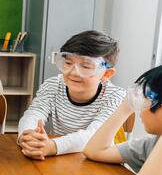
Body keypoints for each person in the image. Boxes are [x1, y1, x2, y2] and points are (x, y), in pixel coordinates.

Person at [18, 30, 126, 159]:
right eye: (68, 63)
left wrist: (52, 146)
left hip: (97, 162)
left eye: (86, 66)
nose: (73, 72)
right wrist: (28, 137)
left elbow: (94, 135)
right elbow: (33, 114)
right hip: (59, 159)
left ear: (106, 74)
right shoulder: (53, 85)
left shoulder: (115, 96)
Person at [84, 65, 162, 175]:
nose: (140, 109)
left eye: (146, 100)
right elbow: (95, 151)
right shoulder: (153, 144)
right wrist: (126, 106)